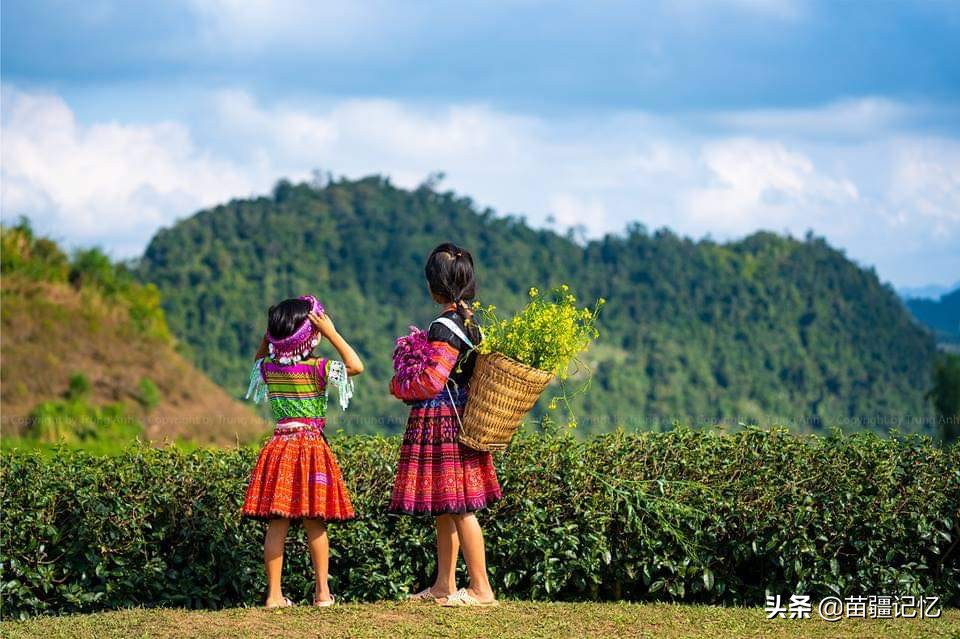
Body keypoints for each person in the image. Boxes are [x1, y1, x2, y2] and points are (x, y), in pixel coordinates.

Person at [389, 244, 502, 607]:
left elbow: (432, 381)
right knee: (447, 504)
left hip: (444, 420)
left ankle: (482, 589)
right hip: (462, 416)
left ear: (435, 285)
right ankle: (444, 584)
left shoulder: (443, 327)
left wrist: (399, 386)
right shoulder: (471, 324)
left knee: (461, 506)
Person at [241, 295, 363, 608]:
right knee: (315, 522)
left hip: (280, 446)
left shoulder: (269, 368)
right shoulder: (319, 368)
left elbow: (257, 361)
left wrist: (269, 338)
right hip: (311, 447)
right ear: (310, 337)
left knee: (277, 523)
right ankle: (322, 593)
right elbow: (355, 366)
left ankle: (273, 596)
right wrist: (332, 332)